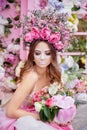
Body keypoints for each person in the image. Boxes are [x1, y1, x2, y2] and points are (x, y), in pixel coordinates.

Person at [0, 39, 74, 130]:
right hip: (27, 117)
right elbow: (10, 111)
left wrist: (64, 117)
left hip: (44, 115)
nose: (42, 58)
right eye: (38, 53)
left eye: (47, 53)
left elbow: (58, 102)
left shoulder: (53, 73)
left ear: (53, 56)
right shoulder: (31, 76)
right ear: (32, 56)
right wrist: (45, 118)